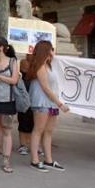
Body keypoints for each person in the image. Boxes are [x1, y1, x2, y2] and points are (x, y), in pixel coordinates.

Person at [26, 40, 69, 172]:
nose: (53, 52)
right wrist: (60, 104)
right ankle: (34, 160)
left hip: (51, 102)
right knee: (38, 130)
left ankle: (48, 160)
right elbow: (45, 87)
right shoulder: (40, 67)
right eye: (51, 49)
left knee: (49, 131)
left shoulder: (49, 66)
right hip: (42, 102)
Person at [0, 38, 19, 173]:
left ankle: (6, 160)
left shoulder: (13, 61)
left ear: (1, 47)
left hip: (8, 101)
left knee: (7, 131)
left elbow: (14, 80)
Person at [16, 54, 34, 156]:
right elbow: (25, 70)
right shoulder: (24, 62)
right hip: (24, 97)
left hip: (34, 97)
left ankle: (32, 144)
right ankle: (23, 145)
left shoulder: (39, 64)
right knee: (23, 122)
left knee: (34, 123)